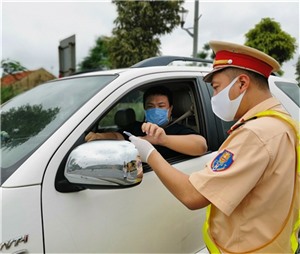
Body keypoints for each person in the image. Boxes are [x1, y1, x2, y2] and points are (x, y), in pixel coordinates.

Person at [128, 41, 299, 253]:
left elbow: (192, 196)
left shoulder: (257, 133)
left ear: (242, 83)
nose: (214, 97)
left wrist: (149, 153)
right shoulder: (284, 123)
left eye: (217, 88)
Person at [85, 85, 207, 158]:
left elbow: (201, 146)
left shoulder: (179, 130)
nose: (155, 110)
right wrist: (99, 136)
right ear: (145, 109)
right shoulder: (137, 127)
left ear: (170, 110)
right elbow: (119, 136)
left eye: (161, 106)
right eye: (150, 106)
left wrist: (162, 140)